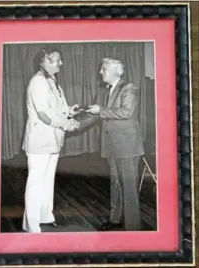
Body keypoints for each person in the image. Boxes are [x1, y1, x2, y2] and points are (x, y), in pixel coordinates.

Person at [22, 47, 80, 233]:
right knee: (36, 184)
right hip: (40, 141)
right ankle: (32, 227)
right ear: (44, 62)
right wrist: (66, 124)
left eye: (60, 60)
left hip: (52, 140)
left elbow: (55, 109)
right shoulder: (38, 82)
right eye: (56, 60)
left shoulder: (52, 81)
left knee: (47, 182)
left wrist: (70, 111)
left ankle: (45, 217)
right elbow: (44, 115)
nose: (60, 63)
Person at [87, 57, 144, 231]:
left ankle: (133, 228)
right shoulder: (106, 91)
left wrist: (101, 110)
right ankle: (115, 219)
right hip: (113, 145)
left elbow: (126, 112)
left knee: (129, 188)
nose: (100, 72)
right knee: (116, 183)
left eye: (104, 69)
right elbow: (98, 114)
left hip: (127, 146)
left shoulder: (129, 88)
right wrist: (78, 115)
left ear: (115, 71)